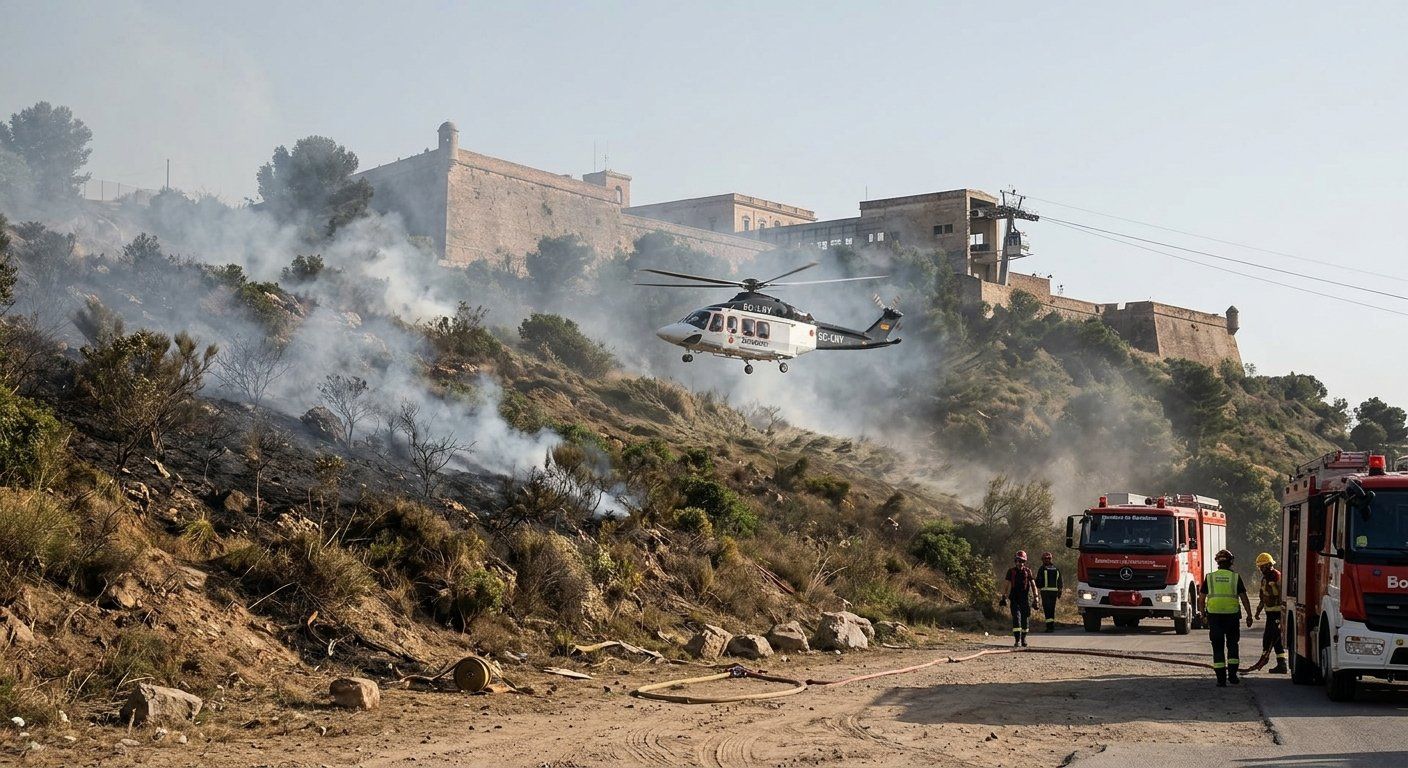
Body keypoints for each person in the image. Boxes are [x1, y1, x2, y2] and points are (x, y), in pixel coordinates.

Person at [1197, 549, 1254, 687]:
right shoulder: (1235, 577)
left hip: (1214, 617)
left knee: (1217, 647)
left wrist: (1202, 614)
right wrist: (1249, 615)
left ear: (1217, 562)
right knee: (1232, 645)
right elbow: (1244, 598)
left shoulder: (1209, 577)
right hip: (1232, 616)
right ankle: (1233, 676)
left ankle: (1221, 680)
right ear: (1231, 562)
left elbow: (1202, 599)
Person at [1254, 552, 1288, 674]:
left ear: (1269, 565)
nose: (1261, 569)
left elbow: (1283, 595)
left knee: (1270, 637)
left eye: (1262, 566)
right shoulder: (1264, 579)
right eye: (1260, 567)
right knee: (1275, 639)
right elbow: (1263, 597)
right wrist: (1258, 611)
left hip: (1278, 613)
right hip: (1270, 614)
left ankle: (1265, 658)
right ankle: (1282, 664)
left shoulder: (1277, 577)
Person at [1000, 551, 1038, 647]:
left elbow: (1033, 585)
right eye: (1017, 561)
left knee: (1025, 619)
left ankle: (1023, 638)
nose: (1019, 563)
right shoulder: (1011, 571)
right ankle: (1017, 640)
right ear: (1015, 561)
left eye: (1021, 561)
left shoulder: (1028, 571)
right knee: (1016, 618)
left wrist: (1036, 598)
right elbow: (1006, 584)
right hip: (1014, 598)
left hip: (1025, 598)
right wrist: (1003, 596)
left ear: (1024, 561)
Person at [1036, 552, 1063, 632]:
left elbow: (1039, 581)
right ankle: (1051, 626)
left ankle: (1049, 627)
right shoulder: (1056, 568)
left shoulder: (1042, 569)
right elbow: (1060, 581)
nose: (1046, 560)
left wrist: (1036, 583)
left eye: (1047, 559)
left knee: (1047, 609)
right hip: (1054, 593)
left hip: (1045, 592)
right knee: (1051, 609)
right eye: (1046, 559)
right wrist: (1060, 591)